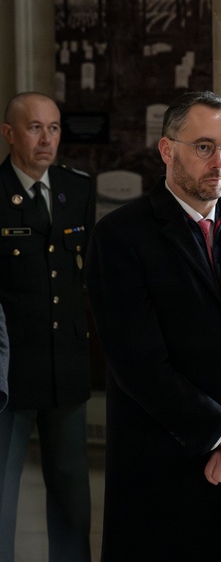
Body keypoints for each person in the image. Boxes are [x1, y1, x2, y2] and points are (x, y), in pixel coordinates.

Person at [84, 91, 221, 562]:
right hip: (166, 478)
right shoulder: (121, 236)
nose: (219, 161)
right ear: (167, 150)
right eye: (204, 147)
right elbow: (138, 364)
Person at [0, 92, 94, 562]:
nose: (46, 139)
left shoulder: (76, 188)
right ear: (9, 133)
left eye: (54, 128)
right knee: (2, 497)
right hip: (10, 370)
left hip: (66, 367)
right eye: (35, 128)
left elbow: (87, 278)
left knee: (73, 498)